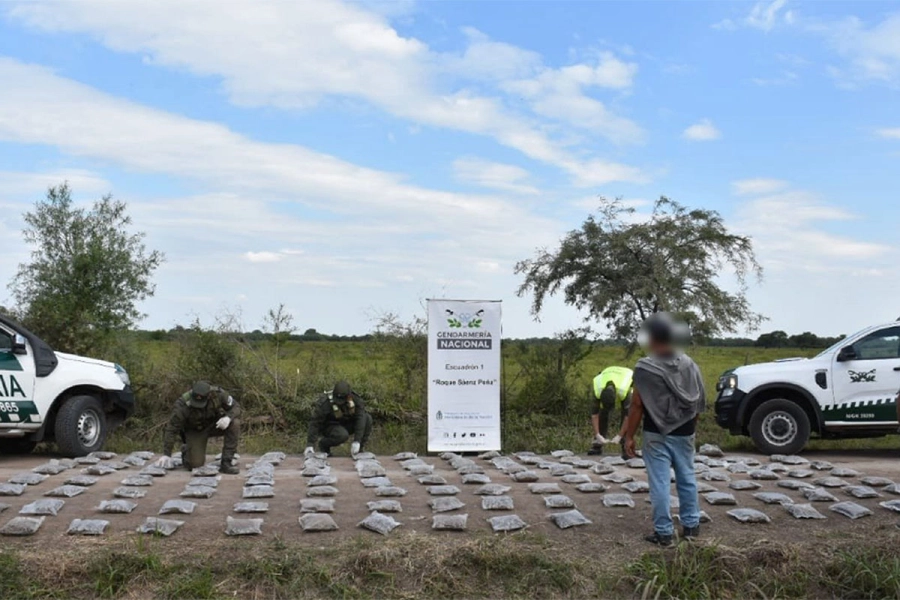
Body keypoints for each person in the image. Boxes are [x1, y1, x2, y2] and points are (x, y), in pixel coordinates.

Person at [623, 313, 705, 546]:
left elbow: (637, 404)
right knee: (687, 477)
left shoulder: (645, 367)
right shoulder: (690, 364)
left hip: (655, 431)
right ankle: (691, 526)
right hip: (685, 430)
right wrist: (691, 427)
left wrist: (629, 436)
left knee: (659, 482)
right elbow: (698, 400)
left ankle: (664, 532)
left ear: (650, 338)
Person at [154, 381, 241, 474]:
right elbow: (172, 428)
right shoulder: (182, 405)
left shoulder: (219, 394)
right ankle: (186, 450)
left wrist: (228, 417)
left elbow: (236, 407)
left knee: (234, 423)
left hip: (215, 425)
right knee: (195, 464)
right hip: (195, 430)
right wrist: (167, 454)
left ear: (209, 396)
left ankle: (226, 463)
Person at [304, 381, 372, 458]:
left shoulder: (355, 399)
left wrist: (357, 441)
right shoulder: (325, 402)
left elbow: (361, 417)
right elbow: (315, 422)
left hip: (347, 424)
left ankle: (359, 450)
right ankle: (324, 445)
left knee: (367, 418)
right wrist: (310, 444)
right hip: (331, 426)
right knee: (342, 435)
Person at [588, 366, 633, 456]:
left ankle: (626, 445)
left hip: (629, 377)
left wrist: (619, 436)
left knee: (627, 412)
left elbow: (629, 416)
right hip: (607, 373)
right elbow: (594, 414)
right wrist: (597, 434)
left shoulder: (624, 389)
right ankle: (598, 443)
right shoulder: (598, 388)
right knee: (602, 412)